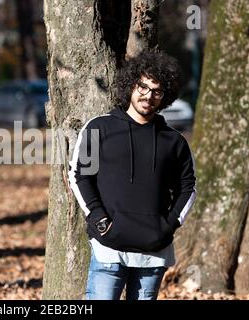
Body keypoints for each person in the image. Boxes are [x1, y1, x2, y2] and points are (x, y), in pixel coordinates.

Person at [68, 51, 197, 300]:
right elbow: (79, 175)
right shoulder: (99, 127)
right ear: (131, 84)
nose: (148, 96)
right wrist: (98, 217)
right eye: (143, 86)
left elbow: (188, 187)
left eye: (156, 91)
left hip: (154, 251)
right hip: (108, 248)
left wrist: (168, 225)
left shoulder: (175, 141)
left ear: (164, 96)